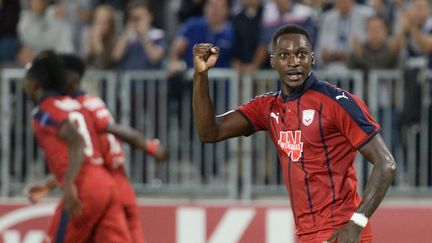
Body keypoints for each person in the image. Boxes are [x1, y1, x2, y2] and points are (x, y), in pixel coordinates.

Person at [192, 24, 397, 243]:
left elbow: (386, 164)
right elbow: (209, 132)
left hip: (341, 232)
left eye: (300, 54)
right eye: (284, 55)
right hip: (305, 235)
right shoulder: (267, 106)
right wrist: (200, 74)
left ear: (312, 58)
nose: (293, 63)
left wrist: (356, 223)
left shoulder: (338, 103)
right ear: (272, 61)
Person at [25, 53, 168, 243]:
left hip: (94, 183)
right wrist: (51, 184)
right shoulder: (80, 105)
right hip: (108, 183)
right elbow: (86, 152)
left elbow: (82, 146)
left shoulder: (69, 106)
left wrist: (149, 147)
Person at [112, 0, 166, 70]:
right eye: (134, 18)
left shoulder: (158, 34)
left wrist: (144, 35)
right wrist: (125, 36)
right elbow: (115, 57)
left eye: (141, 17)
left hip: (149, 79)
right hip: (128, 79)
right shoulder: (126, 35)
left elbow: (156, 57)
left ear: (150, 17)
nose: (137, 21)